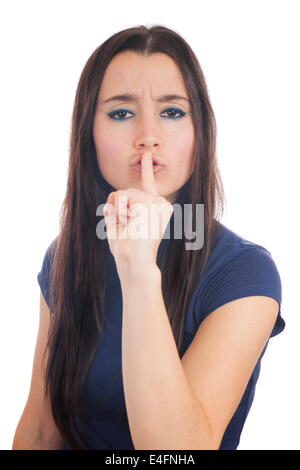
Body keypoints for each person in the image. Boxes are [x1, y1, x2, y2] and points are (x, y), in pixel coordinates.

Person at [12, 25, 285, 450]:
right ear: (89, 136)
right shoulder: (66, 255)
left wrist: (139, 267)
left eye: (172, 112)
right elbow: (40, 428)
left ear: (201, 133)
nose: (147, 136)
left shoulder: (243, 273)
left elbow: (176, 454)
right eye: (121, 113)